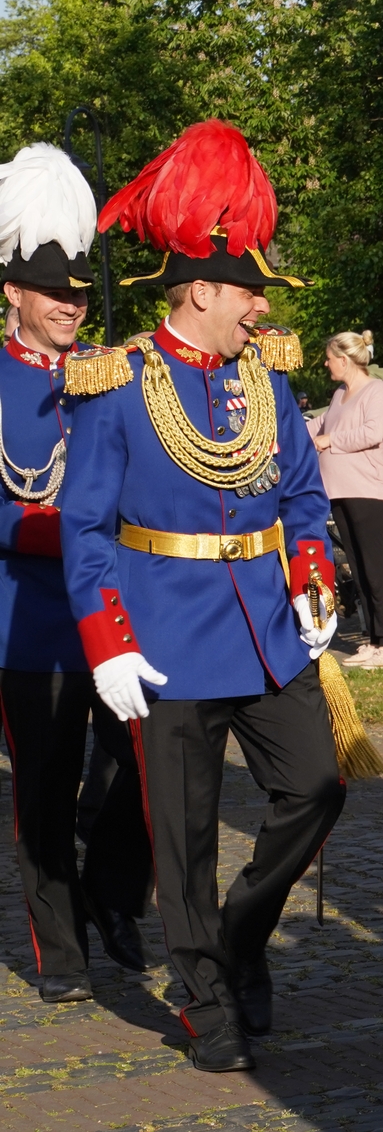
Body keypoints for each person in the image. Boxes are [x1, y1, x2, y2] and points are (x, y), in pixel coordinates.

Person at [62, 120, 344, 1073]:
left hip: (266, 629)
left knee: (316, 783)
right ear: (201, 291)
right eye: (250, 291)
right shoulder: (118, 383)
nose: (263, 307)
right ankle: (205, 999)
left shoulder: (263, 380)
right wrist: (108, 640)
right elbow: (86, 527)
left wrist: (312, 578)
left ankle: (238, 938)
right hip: (166, 637)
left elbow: (303, 495)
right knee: (181, 841)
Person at [0, 144, 151, 1002]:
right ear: (13, 292)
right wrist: (68, 533)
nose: (70, 304)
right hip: (30, 620)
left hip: (122, 611)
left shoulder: (118, 372)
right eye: (52, 290)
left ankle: (113, 891)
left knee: (142, 762)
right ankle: (61, 951)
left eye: (80, 292)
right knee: (46, 789)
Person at [310, 331, 383, 669]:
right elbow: (317, 425)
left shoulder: (376, 390)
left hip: (372, 493)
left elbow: (373, 432)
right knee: (360, 571)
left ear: (344, 360)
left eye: (329, 359)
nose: (326, 364)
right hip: (342, 492)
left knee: (377, 570)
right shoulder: (339, 395)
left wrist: (329, 440)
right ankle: (373, 640)